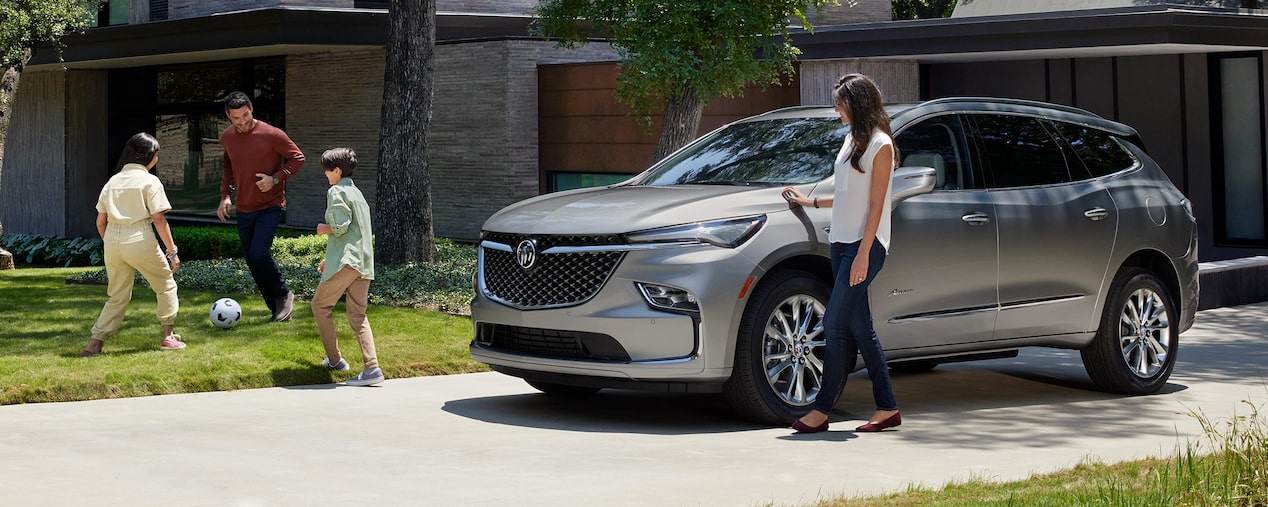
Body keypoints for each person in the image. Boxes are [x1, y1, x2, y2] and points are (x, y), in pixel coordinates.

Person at [782, 73, 901, 433]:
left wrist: (864, 253)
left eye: (840, 103)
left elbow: (877, 204)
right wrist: (811, 201)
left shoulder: (881, 145)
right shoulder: (852, 140)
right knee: (860, 328)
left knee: (833, 323)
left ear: (858, 103)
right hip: (842, 243)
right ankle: (888, 408)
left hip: (866, 246)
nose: (836, 109)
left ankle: (821, 410)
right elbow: (850, 194)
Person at [82, 133, 184, 356]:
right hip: (139, 237)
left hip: (112, 240)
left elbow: (101, 221)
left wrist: (111, 242)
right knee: (166, 284)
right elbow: (159, 219)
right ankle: (168, 337)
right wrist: (172, 251)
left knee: (117, 296)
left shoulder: (113, 181)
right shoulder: (150, 181)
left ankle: (94, 344)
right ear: (152, 156)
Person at [216, 90, 305, 322]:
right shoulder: (227, 137)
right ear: (228, 116)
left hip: (270, 204)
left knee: (258, 253)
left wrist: (275, 179)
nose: (243, 121)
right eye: (237, 118)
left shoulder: (272, 134)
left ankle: (284, 294)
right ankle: (275, 306)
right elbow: (228, 166)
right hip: (244, 207)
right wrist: (225, 195)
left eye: (246, 115)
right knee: (252, 259)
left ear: (251, 109)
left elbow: (297, 158)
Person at [311, 147, 384, 387]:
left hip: (348, 262)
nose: (325, 174)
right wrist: (329, 258)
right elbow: (354, 233)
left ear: (337, 171)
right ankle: (372, 369)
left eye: (327, 170)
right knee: (357, 315)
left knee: (320, 306)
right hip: (362, 262)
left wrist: (323, 227)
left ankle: (335, 361)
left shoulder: (337, 191)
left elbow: (340, 227)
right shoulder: (357, 194)